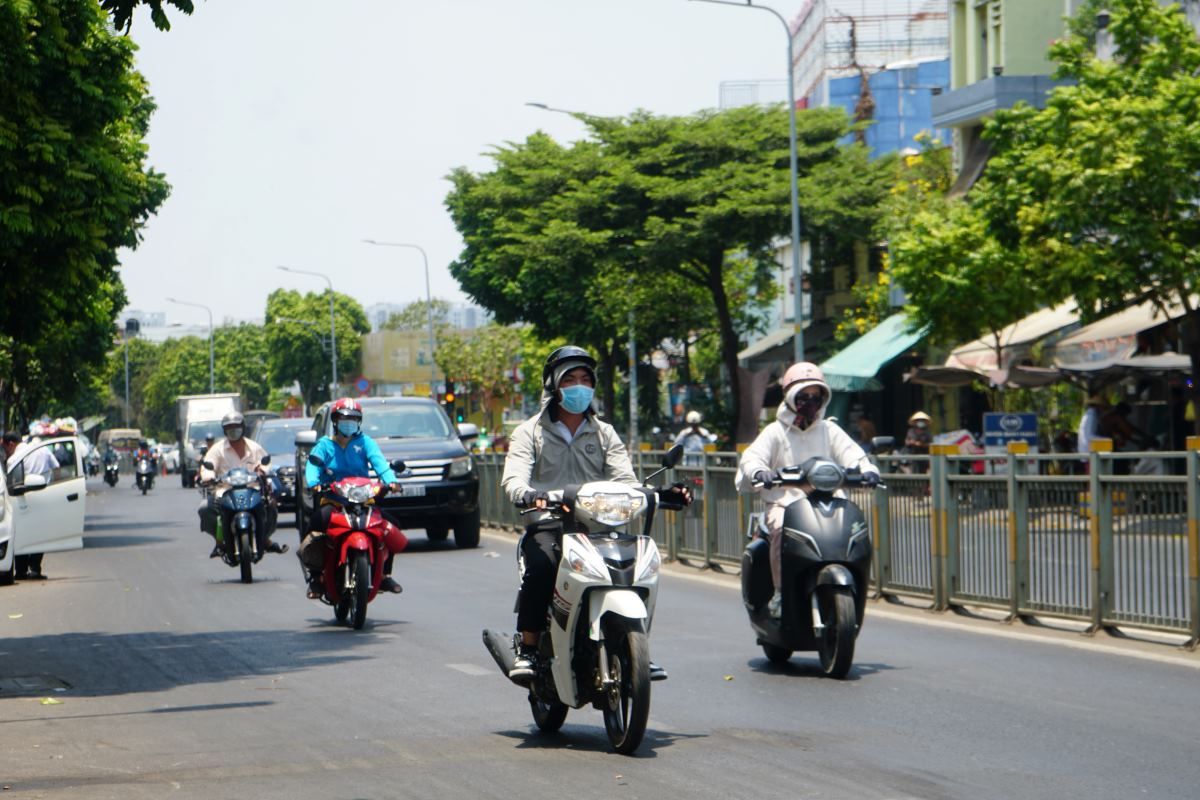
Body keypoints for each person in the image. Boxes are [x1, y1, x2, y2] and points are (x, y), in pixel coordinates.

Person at [501, 346, 691, 680]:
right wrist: (529, 494)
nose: (579, 386)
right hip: (550, 523)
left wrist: (660, 493)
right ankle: (528, 647)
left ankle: (636, 643)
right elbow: (513, 479)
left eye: (585, 380)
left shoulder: (605, 433)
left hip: (601, 527)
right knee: (542, 566)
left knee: (636, 568)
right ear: (553, 385)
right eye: (570, 379)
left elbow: (626, 481)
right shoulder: (528, 432)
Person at [736, 362, 880, 618]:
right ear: (790, 396)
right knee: (779, 529)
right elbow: (752, 458)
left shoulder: (829, 429)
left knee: (856, 531)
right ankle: (780, 594)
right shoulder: (775, 432)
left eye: (816, 396)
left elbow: (854, 455)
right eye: (803, 396)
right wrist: (760, 472)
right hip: (785, 504)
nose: (810, 402)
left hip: (830, 503)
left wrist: (867, 470)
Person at [299, 398, 407, 599]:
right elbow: (313, 466)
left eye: (353, 419)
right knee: (316, 523)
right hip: (334, 500)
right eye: (344, 419)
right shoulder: (324, 445)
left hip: (364, 500)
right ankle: (316, 577)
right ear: (335, 421)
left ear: (359, 421)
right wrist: (314, 483)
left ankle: (384, 574)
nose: (348, 423)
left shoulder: (366, 443)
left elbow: (381, 464)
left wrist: (391, 482)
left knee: (392, 525)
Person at [197, 412, 288, 560]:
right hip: (225, 492)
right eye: (229, 427)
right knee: (204, 508)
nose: (233, 430)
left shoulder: (254, 448)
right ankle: (220, 542)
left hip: (252, 490)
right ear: (224, 430)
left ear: (243, 427)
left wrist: (263, 470)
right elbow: (208, 466)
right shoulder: (217, 449)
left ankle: (264, 538)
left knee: (270, 505)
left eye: (236, 426)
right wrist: (208, 476)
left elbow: (266, 462)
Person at [3, 431, 60, 580]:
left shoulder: (14, 459)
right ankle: (35, 569)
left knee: (20, 534)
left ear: (11, 444)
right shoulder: (43, 450)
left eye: (5, 448)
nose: (5, 452)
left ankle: (21, 571)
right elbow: (57, 468)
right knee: (40, 533)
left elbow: (12, 484)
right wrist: (55, 488)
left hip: (22, 499)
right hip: (44, 497)